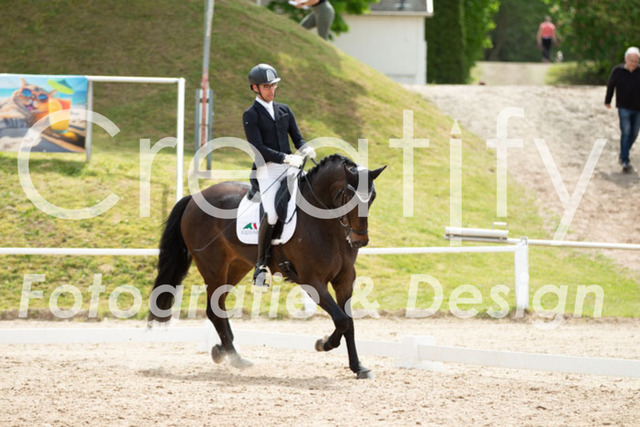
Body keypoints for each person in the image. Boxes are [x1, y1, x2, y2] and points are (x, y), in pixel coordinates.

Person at [243, 63, 316, 286]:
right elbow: (258, 147)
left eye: (273, 85)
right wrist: (285, 158)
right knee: (273, 214)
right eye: (266, 86)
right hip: (267, 170)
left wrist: (305, 148)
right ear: (255, 88)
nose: (271, 90)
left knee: (312, 197)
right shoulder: (251, 115)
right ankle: (260, 266)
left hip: (290, 166)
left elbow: (297, 137)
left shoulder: (285, 110)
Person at [605, 46, 640, 173]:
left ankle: (623, 152)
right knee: (626, 132)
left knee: (634, 133)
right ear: (626, 59)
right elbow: (611, 86)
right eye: (631, 61)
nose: (633, 63)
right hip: (624, 107)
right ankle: (625, 160)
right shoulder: (617, 71)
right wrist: (608, 100)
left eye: (636, 61)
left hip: (638, 108)